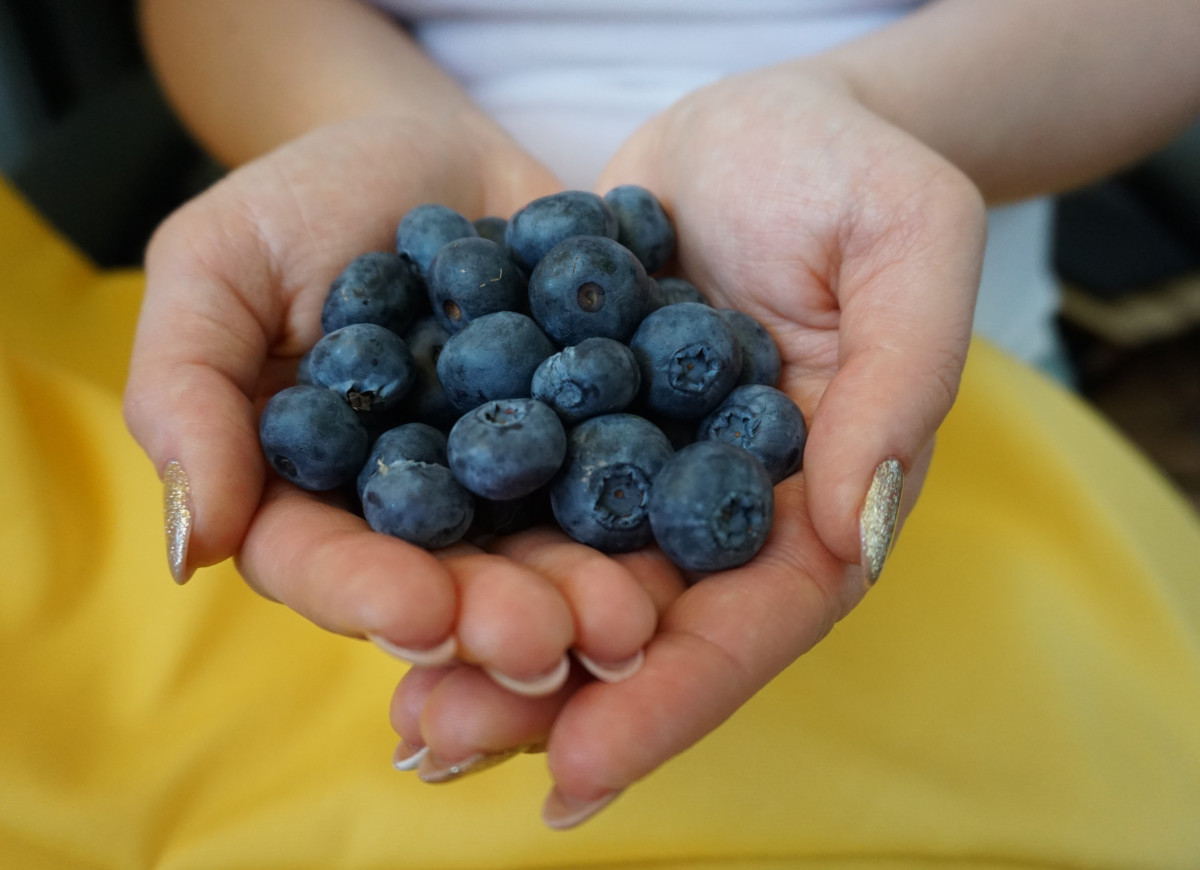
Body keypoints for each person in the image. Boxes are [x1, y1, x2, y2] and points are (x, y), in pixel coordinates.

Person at [117, 0, 1200, 841]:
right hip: (393, 198)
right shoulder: (424, 354)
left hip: (890, 349)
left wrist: (867, 102)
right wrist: (369, 123)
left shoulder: (699, 358)